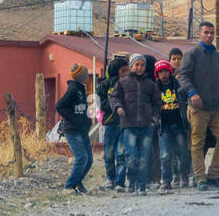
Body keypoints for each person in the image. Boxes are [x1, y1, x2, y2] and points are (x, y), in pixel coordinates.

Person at [178, 21, 219, 191]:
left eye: (212, 32)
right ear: (199, 34)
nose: (209, 35)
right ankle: (200, 178)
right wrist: (192, 93)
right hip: (198, 107)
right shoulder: (191, 55)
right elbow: (183, 77)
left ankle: (213, 175)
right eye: (206, 32)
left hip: (217, 107)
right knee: (197, 142)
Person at [109, 54, 161, 194]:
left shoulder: (151, 84)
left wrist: (153, 120)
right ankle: (130, 180)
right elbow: (114, 97)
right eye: (136, 64)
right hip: (129, 125)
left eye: (142, 65)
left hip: (146, 126)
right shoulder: (123, 82)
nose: (139, 67)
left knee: (144, 158)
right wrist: (118, 107)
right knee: (131, 157)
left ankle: (141, 186)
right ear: (131, 66)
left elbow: (157, 103)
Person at [55, 63, 93, 194]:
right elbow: (60, 106)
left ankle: (78, 182)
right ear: (82, 76)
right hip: (72, 130)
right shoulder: (73, 89)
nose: (88, 76)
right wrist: (74, 119)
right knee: (82, 157)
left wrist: (88, 121)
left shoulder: (82, 88)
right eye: (86, 74)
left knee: (89, 160)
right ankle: (69, 186)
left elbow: (82, 108)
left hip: (82, 130)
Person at [154, 61, 189, 190]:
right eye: (160, 72)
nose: (164, 74)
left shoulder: (177, 85)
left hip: (179, 123)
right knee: (165, 154)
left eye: (166, 71)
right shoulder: (155, 88)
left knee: (182, 152)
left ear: (170, 72)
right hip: (163, 125)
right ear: (157, 74)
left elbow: (185, 100)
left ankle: (183, 176)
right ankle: (166, 180)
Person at [95, 56, 127, 189]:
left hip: (125, 123)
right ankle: (110, 178)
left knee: (121, 153)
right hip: (109, 123)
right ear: (115, 71)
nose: (126, 74)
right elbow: (101, 104)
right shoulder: (104, 85)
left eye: (127, 71)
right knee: (108, 153)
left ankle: (120, 181)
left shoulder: (129, 84)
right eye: (123, 71)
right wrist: (116, 105)